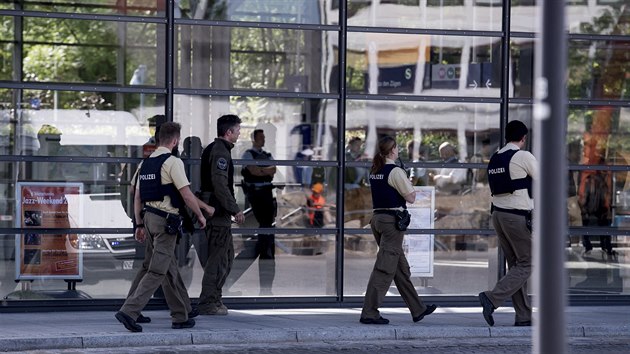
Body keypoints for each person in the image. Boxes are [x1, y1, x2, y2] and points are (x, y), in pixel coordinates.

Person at [115, 122, 215, 333]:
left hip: (149, 219)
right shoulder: (172, 162)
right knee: (157, 270)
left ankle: (182, 313)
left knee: (164, 267)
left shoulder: (146, 163)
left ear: (158, 139)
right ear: (175, 141)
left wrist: (139, 223)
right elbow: (186, 194)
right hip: (165, 223)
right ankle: (129, 311)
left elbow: (137, 194)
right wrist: (199, 214)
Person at [360, 136, 437, 325]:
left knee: (400, 268)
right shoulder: (394, 171)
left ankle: (417, 309)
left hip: (378, 219)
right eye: (396, 148)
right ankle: (369, 312)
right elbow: (411, 197)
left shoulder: (375, 169)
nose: (398, 150)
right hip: (391, 223)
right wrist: (407, 179)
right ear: (393, 150)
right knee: (385, 268)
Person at [479, 120, 537, 327]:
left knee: (516, 265)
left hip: (498, 216)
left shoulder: (496, 158)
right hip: (516, 217)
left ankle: (523, 316)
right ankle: (492, 298)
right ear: (524, 137)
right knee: (529, 262)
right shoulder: (523, 156)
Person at [198, 114, 245, 315]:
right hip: (217, 215)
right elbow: (220, 185)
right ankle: (209, 302)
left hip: (218, 213)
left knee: (225, 258)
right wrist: (234, 209)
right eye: (237, 130)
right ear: (228, 132)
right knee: (218, 260)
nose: (239, 134)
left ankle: (214, 299)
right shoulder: (220, 152)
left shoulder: (217, 149)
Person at [227, 129, 277, 295]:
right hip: (253, 203)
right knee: (254, 247)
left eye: (264, 137)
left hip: (267, 202)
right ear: (254, 138)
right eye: (261, 137)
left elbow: (272, 170)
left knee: (265, 247)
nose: (263, 140)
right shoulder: (248, 154)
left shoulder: (267, 154)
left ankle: (265, 290)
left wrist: (261, 171)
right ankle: (227, 283)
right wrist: (263, 171)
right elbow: (254, 171)